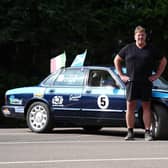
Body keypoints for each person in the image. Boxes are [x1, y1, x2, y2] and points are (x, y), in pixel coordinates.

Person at [114, 25, 167, 141]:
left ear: (145, 36)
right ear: (135, 37)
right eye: (139, 35)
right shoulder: (128, 48)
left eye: (142, 35)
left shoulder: (151, 49)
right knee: (130, 107)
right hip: (131, 82)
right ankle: (130, 132)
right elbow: (117, 60)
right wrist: (121, 75)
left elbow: (163, 60)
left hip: (145, 83)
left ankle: (147, 132)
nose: (141, 37)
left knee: (146, 107)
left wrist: (157, 75)